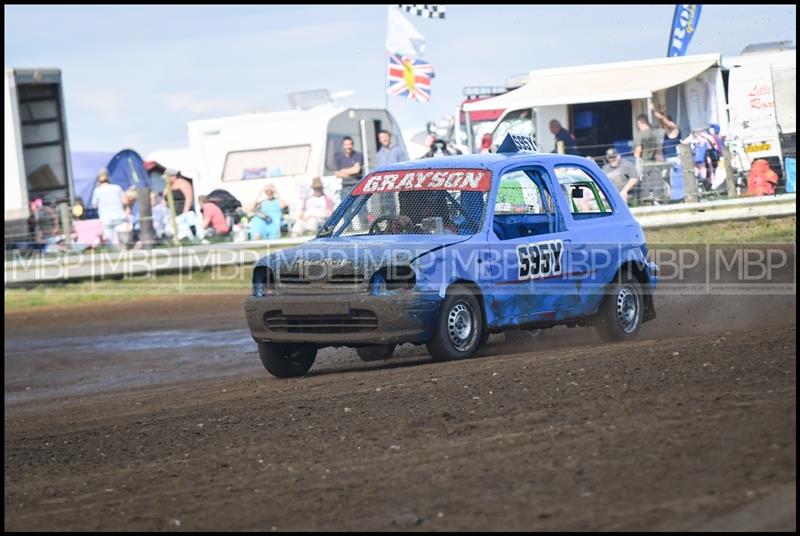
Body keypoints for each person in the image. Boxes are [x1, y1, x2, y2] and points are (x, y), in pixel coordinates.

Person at [90, 168, 127, 246]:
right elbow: (125, 201)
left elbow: (94, 205)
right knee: (124, 241)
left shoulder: (97, 191)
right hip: (120, 217)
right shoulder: (117, 188)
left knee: (110, 242)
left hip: (106, 219)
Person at [162, 168, 199, 240]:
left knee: (186, 231)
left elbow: (189, 198)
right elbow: (165, 198)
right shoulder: (168, 186)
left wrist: (185, 212)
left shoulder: (183, 184)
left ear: (173, 176)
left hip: (184, 213)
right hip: (172, 214)